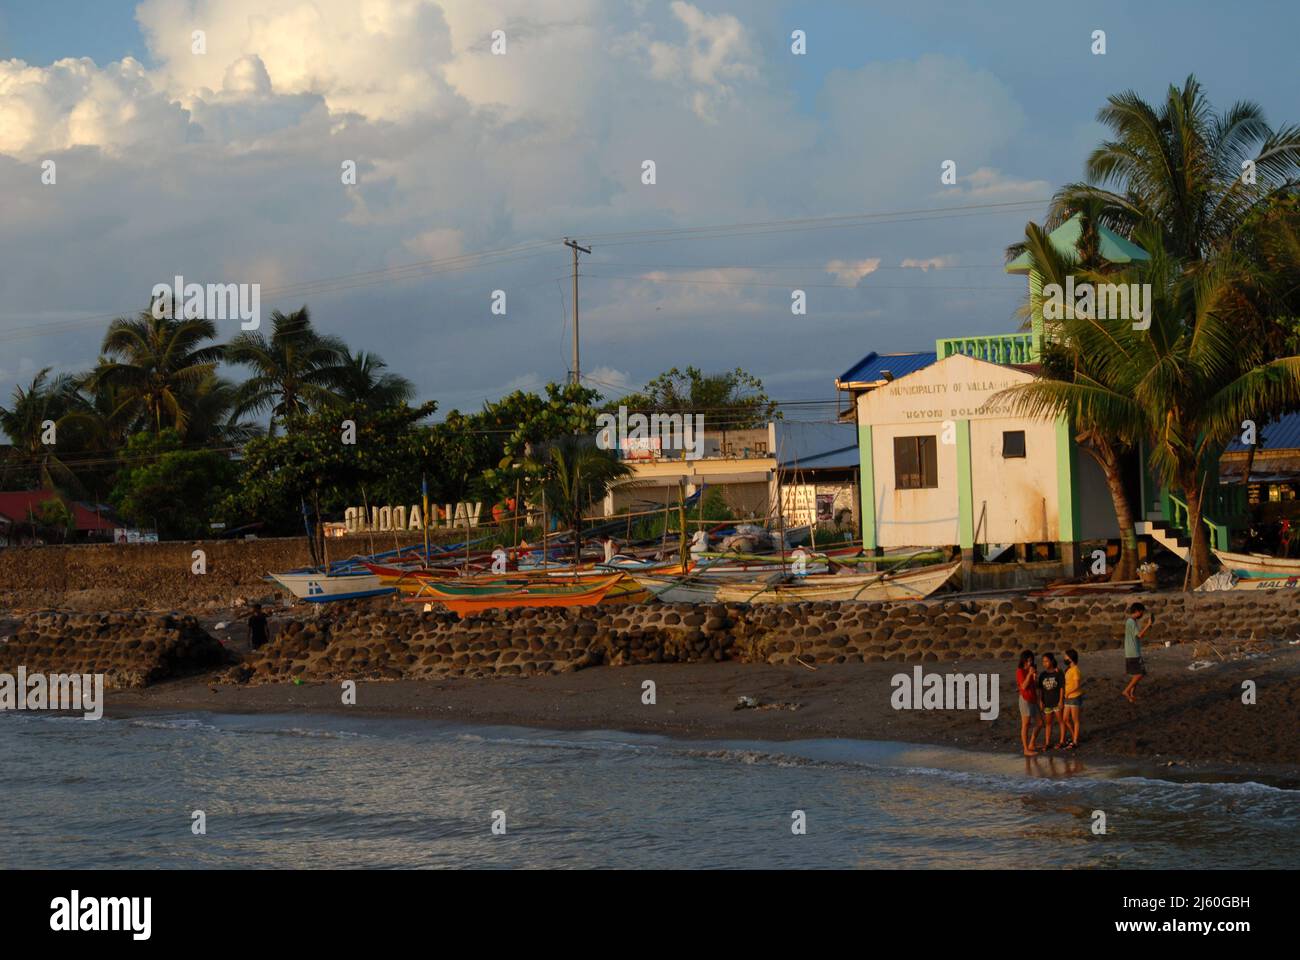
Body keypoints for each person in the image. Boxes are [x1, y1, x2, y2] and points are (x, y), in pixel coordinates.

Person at [1122, 602, 1152, 703]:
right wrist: (1148, 625)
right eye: (1142, 612)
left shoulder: (1132, 621)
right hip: (1133, 653)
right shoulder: (1131, 622)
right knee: (1139, 675)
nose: (1142, 614)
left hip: (1133, 652)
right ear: (1138, 611)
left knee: (1137, 675)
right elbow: (1139, 635)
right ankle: (1126, 691)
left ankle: (1131, 695)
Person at [1037, 652, 1066, 750]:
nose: (1044, 663)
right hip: (1047, 703)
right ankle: (1047, 742)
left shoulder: (1058, 673)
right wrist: (1040, 701)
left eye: (1046, 661)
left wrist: (1061, 700)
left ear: (1052, 661)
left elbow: (1062, 688)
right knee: (1048, 723)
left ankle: (1062, 741)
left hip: (1057, 701)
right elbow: (1040, 689)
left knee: (1061, 721)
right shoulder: (1043, 675)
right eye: (1043, 662)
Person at [1015, 650, 1042, 756]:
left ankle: (1031, 743)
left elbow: (1035, 686)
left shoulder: (1031, 670)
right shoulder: (1020, 671)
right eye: (1028, 660)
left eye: (1031, 660)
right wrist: (1029, 674)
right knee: (1026, 724)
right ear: (1024, 660)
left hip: (1033, 699)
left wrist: (1034, 677)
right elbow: (1023, 686)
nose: (1030, 662)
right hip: (1025, 699)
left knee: (1040, 723)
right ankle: (1026, 749)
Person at [1062, 648, 1083, 748]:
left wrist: (1068, 692)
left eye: (1065, 656)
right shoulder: (1069, 669)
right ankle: (1075, 735)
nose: (1064, 658)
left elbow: (1077, 685)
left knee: (1075, 720)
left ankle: (1075, 741)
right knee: (1065, 719)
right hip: (1068, 697)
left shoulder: (1075, 670)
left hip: (1074, 697)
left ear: (1070, 658)